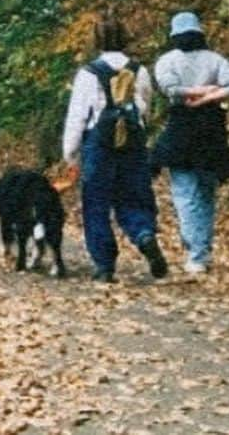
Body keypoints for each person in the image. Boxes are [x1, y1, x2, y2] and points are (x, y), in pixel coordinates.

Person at [62, 14, 168, 283]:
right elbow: (145, 107)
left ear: (96, 40)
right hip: (133, 145)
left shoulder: (88, 74)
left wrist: (70, 153)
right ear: (124, 38)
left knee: (96, 204)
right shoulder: (139, 70)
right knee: (132, 197)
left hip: (99, 144)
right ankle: (144, 236)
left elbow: (77, 116)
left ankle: (104, 265)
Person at [152, 10, 229, 275]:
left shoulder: (166, 61)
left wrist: (197, 96)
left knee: (185, 193)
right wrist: (210, 94)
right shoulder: (216, 60)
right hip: (212, 131)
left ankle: (196, 251)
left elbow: (171, 89)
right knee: (206, 193)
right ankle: (200, 251)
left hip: (181, 129)